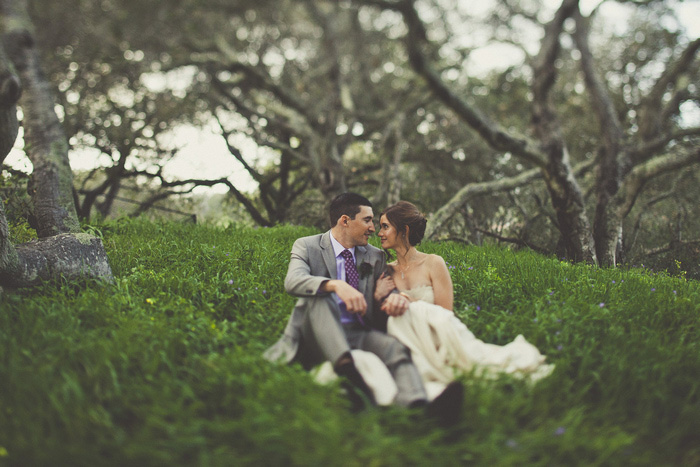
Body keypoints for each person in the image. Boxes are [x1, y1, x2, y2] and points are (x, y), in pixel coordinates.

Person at [264, 193, 462, 421]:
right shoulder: (308, 246)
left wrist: (390, 298)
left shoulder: (375, 256)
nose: (373, 229)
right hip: (318, 334)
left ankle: (417, 407)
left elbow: (389, 296)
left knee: (394, 349)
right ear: (345, 221)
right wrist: (335, 285)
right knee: (318, 296)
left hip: (359, 331)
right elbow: (293, 281)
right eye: (367, 220)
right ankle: (354, 384)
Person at [376, 201, 554, 399]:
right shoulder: (386, 271)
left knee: (480, 365)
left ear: (404, 230)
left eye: (385, 226)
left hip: (441, 333)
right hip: (411, 341)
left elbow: (445, 312)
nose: (379, 233)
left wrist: (413, 305)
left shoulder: (433, 263)